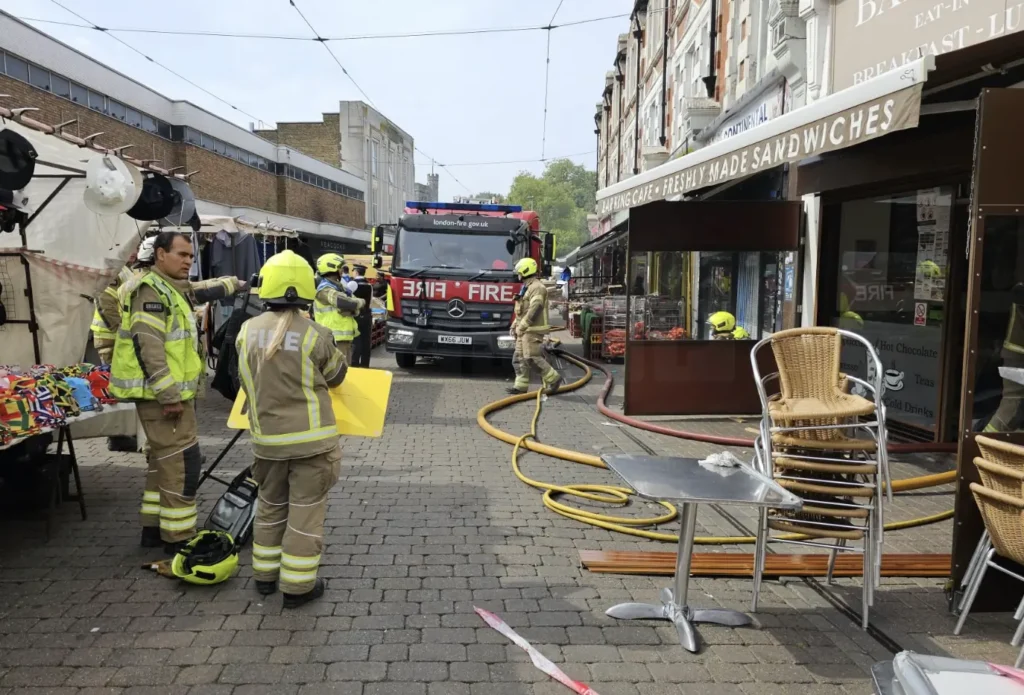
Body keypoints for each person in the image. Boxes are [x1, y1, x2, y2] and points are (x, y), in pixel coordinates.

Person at [110, 231, 244, 554]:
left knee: (163, 462)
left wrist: (234, 284)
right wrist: (169, 396)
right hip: (163, 398)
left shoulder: (169, 287)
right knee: (183, 465)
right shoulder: (150, 291)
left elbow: (199, 289)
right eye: (182, 255)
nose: (188, 261)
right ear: (160, 254)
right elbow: (150, 346)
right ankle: (179, 538)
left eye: (191, 256)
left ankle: (153, 530)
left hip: (165, 396)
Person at [236, 250, 347, 608]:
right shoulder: (316, 334)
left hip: (266, 443)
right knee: (304, 515)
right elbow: (337, 376)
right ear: (306, 288)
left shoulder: (247, 331)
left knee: (269, 508)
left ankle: (264, 577)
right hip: (312, 446)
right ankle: (297, 589)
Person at [508, 257, 562, 395]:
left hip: (532, 330)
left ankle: (554, 379)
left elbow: (535, 308)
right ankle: (520, 386)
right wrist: (514, 325)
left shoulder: (537, 287)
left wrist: (522, 326)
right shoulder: (526, 287)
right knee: (519, 358)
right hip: (524, 330)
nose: (518, 275)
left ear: (525, 271)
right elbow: (522, 310)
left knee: (531, 358)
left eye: (519, 272)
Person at [313, 254, 364, 363]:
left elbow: (354, 303)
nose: (342, 271)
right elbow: (346, 302)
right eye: (340, 268)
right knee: (338, 371)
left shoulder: (339, 287)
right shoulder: (324, 290)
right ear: (332, 268)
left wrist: (353, 307)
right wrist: (356, 304)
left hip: (343, 340)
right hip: (332, 340)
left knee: (346, 370)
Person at [350, 265, 374, 368]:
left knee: (356, 339)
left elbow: (347, 297)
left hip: (356, 315)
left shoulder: (352, 283)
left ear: (356, 272)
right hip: (367, 314)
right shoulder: (369, 285)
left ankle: (355, 362)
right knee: (366, 339)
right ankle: (365, 363)